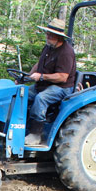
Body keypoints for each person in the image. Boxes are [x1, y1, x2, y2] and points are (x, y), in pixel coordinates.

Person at [24, 17, 77, 145]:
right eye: (47, 33)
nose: (47, 36)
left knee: (41, 98)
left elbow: (62, 77)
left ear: (59, 37)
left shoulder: (66, 52)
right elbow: (39, 64)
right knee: (21, 93)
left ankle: (36, 134)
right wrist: (27, 77)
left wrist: (42, 76)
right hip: (43, 84)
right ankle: (20, 126)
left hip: (62, 88)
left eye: (50, 34)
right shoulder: (49, 47)